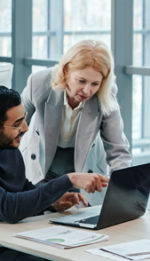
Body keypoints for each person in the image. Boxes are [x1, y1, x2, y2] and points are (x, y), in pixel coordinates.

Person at [0, 85, 109, 260]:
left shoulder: (7, 144)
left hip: (10, 238)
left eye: (23, 119)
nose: (26, 128)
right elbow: (9, 208)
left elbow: (22, 189)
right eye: (17, 124)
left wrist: (51, 202)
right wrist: (69, 179)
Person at [20, 40, 131, 205]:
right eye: (81, 81)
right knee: (40, 215)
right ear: (66, 71)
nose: (87, 90)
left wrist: (123, 192)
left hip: (83, 164)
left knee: (79, 220)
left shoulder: (106, 93)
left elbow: (118, 150)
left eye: (95, 84)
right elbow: (14, 129)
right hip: (43, 159)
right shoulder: (39, 83)